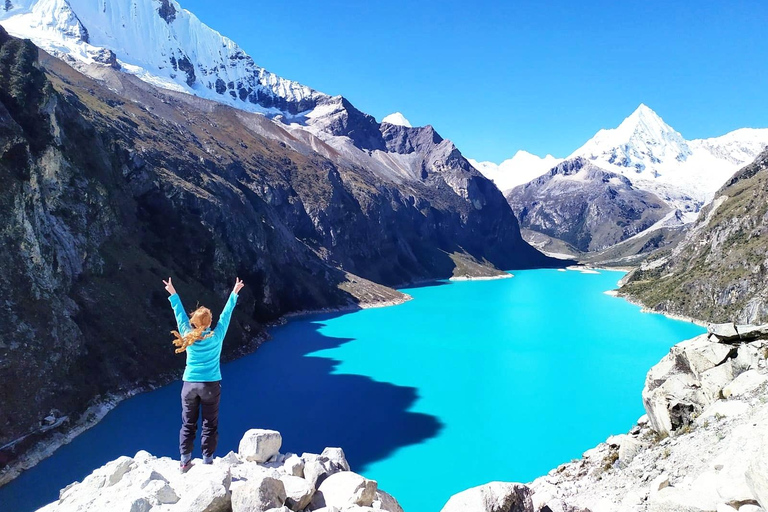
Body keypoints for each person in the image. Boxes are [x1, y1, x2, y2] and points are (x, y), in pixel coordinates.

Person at [163, 276, 245, 472]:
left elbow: (179, 314)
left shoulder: (186, 334)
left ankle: (184, 461)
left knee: (188, 423)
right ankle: (207, 460)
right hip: (210, 385)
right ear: (209, 322)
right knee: (209, 423)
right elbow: (226, 315)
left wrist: (173, 292)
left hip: (189, 384)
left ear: (193, 322)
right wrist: (235, 292)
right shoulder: (216, 336)